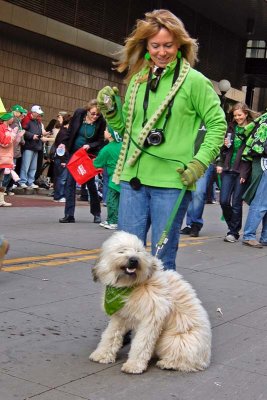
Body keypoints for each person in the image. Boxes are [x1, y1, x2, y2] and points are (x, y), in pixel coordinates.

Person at [97, 9, 226, 270]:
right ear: (146, 45)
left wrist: (199, 164)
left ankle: (160, 311)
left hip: (173, 181)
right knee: (124, 260)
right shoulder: (138, 79)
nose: (162, 52)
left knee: (161, 261)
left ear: (180, 44)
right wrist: (111, 113)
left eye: (168, 45)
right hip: (133, 180)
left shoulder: (195, 81)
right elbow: (130, 131)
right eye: (155, 45)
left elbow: (218, 124)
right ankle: (127, 310)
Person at [59, 99, 106, 223]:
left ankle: (96, 213)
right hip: (74, 154)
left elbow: (101, 140)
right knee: (70, 183)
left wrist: (90, 145)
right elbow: (70, 132)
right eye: (93, 113)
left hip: (88, 155)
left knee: (90, 183)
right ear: (87, 110)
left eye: (97, 114)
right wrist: (63, 144)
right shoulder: (79, 113)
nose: (95, 116)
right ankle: (69, 215)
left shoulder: (101, 122)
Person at [216, 102, 256, 243]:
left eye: (239, 115)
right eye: (235, 115)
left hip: (242, 171)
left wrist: (245, 174)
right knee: (224, 201)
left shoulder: (252, 130)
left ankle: (233, 232)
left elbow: (251, 154)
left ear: (246, 114)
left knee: (237, 202)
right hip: (228, 168)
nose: (237, 118)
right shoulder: (231, 128)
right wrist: (226, 147)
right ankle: (232, 226)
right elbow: (224, 149)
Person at [241, 112, 267, 248]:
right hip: (264, 163)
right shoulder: (265, 120)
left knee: (264, 202)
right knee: (261, 202)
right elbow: (260, 145)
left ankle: (265, 236)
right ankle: (249, 235)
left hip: (262, 161)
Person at [93, 125, 122, 229]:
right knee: (119, 200)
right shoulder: (122, 145)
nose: (104, 131)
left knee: (111, 200)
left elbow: (97, 163)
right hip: (123, 176)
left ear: (110, 135)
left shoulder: (107, 148)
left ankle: (113, 221)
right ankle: (113, 220)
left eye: (106, 130)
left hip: (114, 177)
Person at [19, 105, 49, 188]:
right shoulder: (27, 120)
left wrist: (44, 134)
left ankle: (30, 181)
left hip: (36, 146)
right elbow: (23, 131)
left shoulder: (38, 121)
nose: (39, 115)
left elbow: (39, 132)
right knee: (26, 165)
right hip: (29, 146)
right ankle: (23, 181)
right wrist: (32, 136)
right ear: (33, 112)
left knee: (33, 166)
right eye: (38, 113)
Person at [53, 114, 72, 202]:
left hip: (61, 158)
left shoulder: (63, 131)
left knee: (60, 177)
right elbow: (61, 148)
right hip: (62, 158)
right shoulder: (64, 133)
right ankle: (59, 196)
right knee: (62, 178)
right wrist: (63, 160)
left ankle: (58, 195)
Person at [0, 112, 17, 206]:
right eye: (11, 117)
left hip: (6, 157)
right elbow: (4, 142)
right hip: (1, 157)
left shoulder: (9, 129)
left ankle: (1, 200)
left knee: (1, 179)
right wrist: (12, 136)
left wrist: (15, 137)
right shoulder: (1, 128)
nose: (13, 119)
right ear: (7, 119)